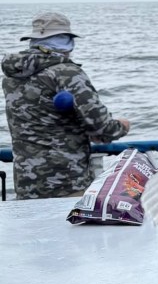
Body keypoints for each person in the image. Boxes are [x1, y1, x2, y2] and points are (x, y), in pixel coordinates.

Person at [2, 11, 131, 199]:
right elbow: (102, 127)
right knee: (72, 219)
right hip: (67, 183)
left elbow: (43, 117)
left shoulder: (12, 76)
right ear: (67, 41)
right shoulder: (67, 73)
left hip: (26, 183)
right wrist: (122, 126)